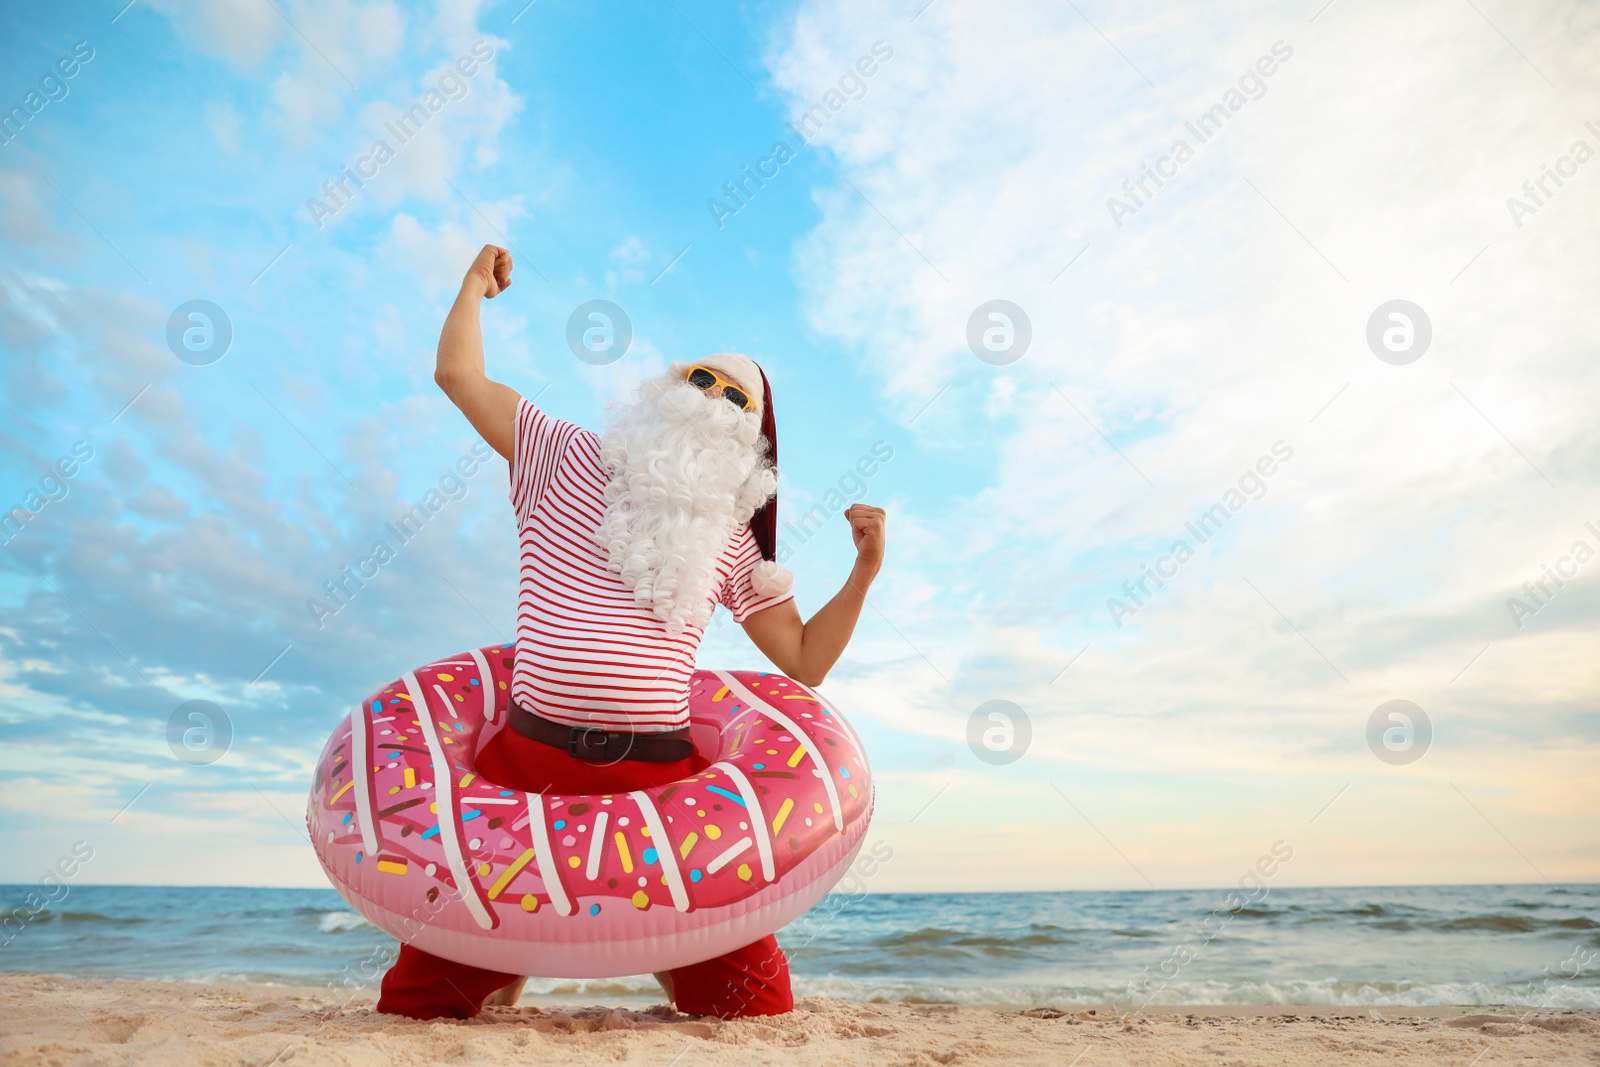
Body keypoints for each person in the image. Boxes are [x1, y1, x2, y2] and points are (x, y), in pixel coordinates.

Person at [376, 244, 886, 1021]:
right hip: (523, 769)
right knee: (417, 1005)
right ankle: (506, 966)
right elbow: (459, 378)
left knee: (755, 1004)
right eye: (698, 378)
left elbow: (805, 660)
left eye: (733, 397)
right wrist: (472, 288)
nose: (710, 396)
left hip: (663, 788)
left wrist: (864, 571)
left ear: (750, 437)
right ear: (665, 388)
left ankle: (666, 961)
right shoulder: (563, 455)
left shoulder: (731, 534)